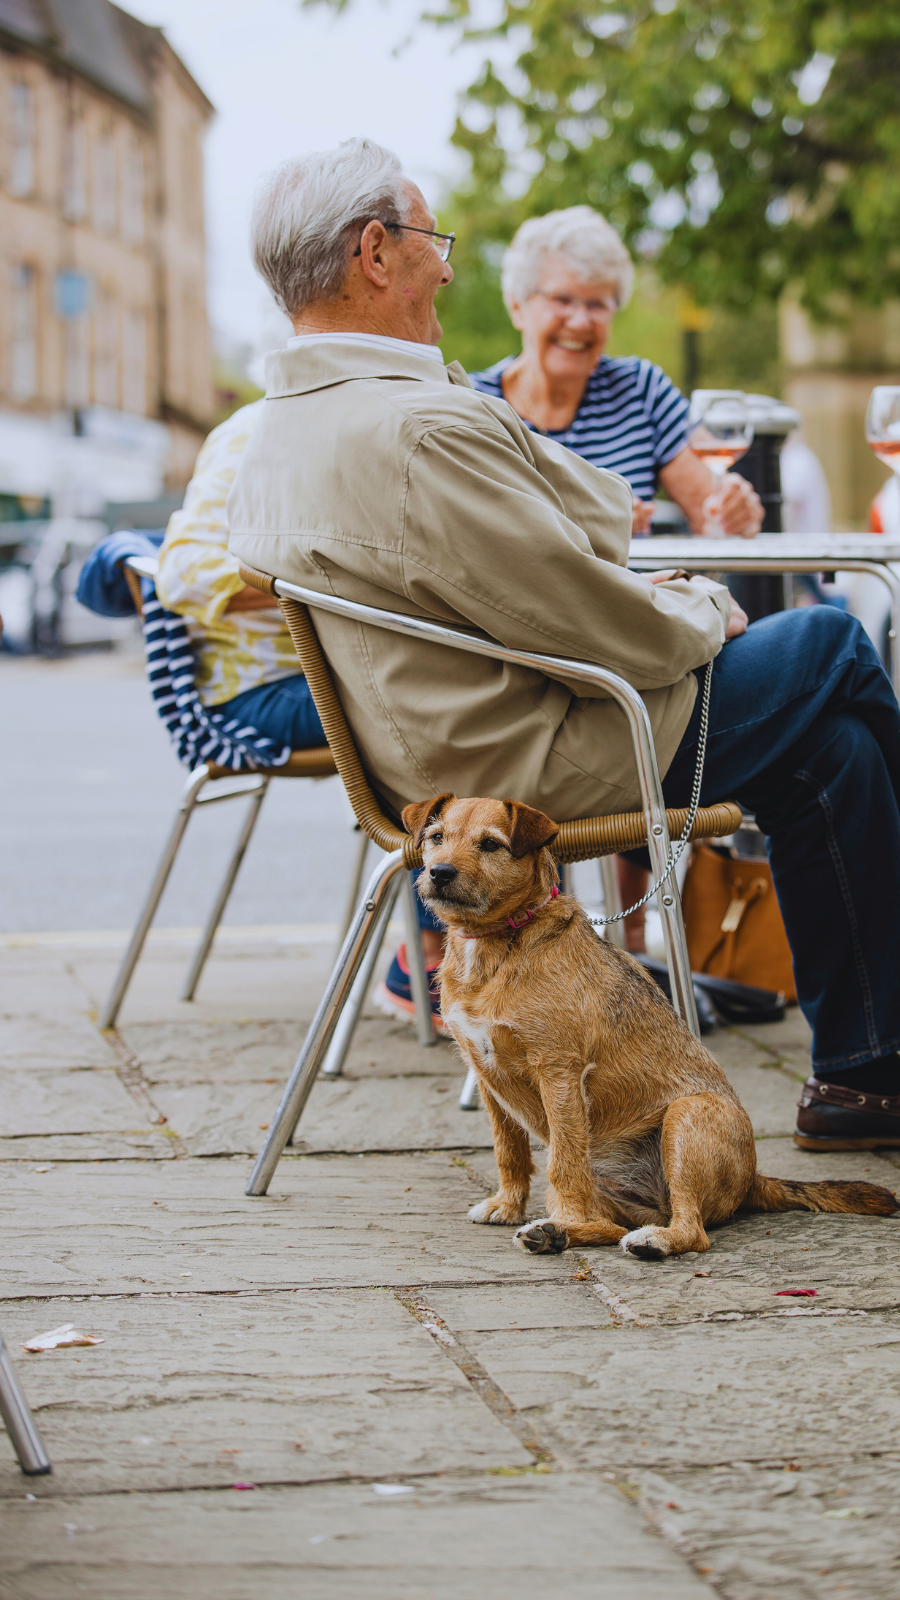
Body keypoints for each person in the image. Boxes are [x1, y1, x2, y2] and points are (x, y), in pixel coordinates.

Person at [229, 137, 900, 1150]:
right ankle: (866, 1065)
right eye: (430, 238)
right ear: (375, 252)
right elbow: (589, 621)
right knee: (833, 642)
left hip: (446, 753)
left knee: (834, 754)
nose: (446, 264)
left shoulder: (278, 432)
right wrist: (703, 611)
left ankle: (862, 1080)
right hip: (533, 758)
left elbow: (546, 568)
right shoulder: (417, 429)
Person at [469, 207, 763, 949]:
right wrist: (588, 526)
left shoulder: (638, 390)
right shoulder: (474, 407)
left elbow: (710, 505)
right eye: (563, 300)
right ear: (519, 305)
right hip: (527, 644)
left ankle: (628, 947)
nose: (581, 320)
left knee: (660, 674)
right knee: (654, 682)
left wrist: (732, 504)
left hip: (626, 629)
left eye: (598, 303)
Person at [156, 396, 438, 1027]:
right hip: (257, 694)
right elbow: (183, 575)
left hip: (340, 678)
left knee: (464, 703)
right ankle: (424, 957)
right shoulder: (259, 433)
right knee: (437, 719)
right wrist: (332, 574)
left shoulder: (384, 426)